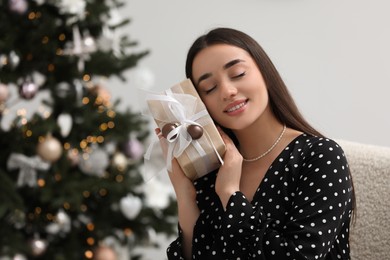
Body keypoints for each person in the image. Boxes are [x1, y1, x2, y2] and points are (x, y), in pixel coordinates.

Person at [158, 27, 354, 260]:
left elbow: (299, 256)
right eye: (210, 88)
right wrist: (185, 193)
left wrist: (230, 194)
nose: (227, 92)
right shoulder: (213, 168)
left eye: (238, 73)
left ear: (265, 73)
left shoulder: (320, 156)